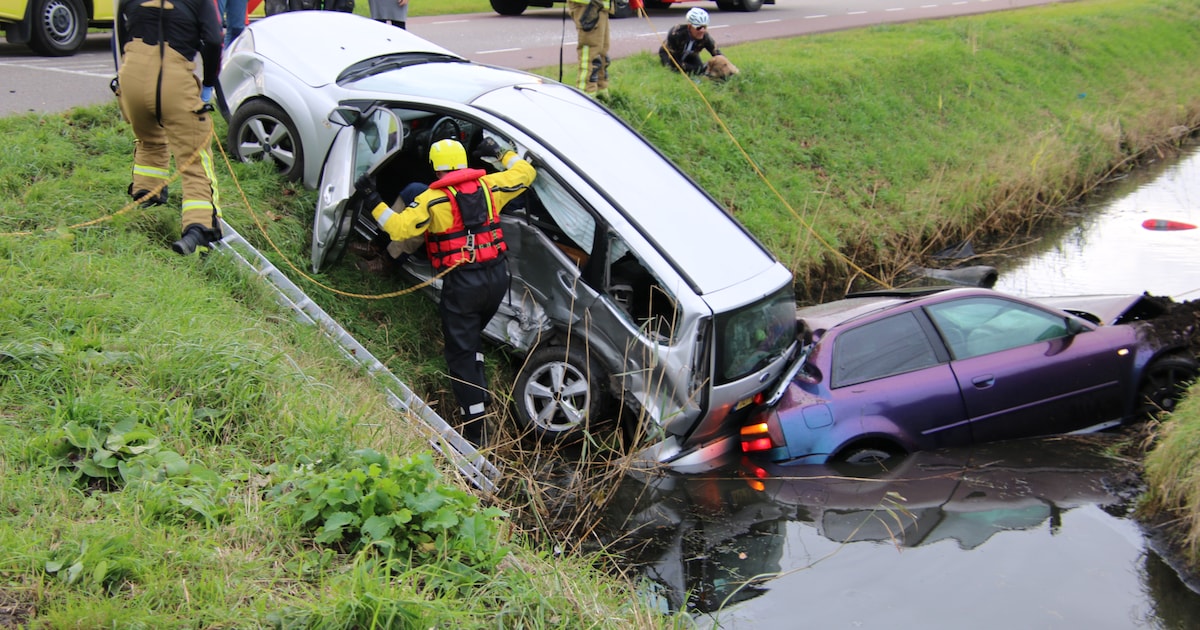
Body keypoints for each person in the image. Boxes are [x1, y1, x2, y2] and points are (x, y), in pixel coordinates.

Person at [355, 137, 537, 446]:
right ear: (466, 163)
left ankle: (475, 430)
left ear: (436, 169)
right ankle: (480, 389)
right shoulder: (491, 186)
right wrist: (498, 152)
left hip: (463, 284)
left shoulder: (430, 200)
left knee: (459, 353)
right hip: (497, 278)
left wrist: (372, 198)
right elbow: (525, 172)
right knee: (471, 336)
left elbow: (399, 229)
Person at [115, 0, 224, 256]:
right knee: (194, 159)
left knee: (149, 139)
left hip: (131, 76)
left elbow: (120, 32)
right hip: (174, 80)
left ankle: (146, 196)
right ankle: (200, 228)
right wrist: (208, 83)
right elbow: (214, 40)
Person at [658, 7, 739, 79]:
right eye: (698, 27)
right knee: (674, 70)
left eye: (705, 27)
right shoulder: (676, 33)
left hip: (691, 55)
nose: (702, 31)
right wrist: (697, 69)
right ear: (690, 26)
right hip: (671, 54)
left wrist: (731, 70)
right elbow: (675, 63)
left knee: (700, 69)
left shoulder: (705, 37)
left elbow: (718, 54)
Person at [567, 0, 612, 96]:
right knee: (590, 54)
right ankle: (585, 95)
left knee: (602, 53)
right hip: (589, 5)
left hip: (599, 5)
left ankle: (601, 92)